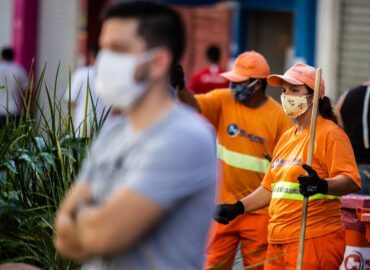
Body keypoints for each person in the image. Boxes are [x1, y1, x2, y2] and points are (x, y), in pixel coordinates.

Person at [54, 2, 217, 270]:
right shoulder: (112, 132)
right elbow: (62, 239)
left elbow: (104, 234)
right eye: (104, 48)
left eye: (119, 49)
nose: (104, 61)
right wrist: (91, 223)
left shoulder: (185, 137)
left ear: (158, 62)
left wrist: (82, 218)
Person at [215, 63, 361, 269]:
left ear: (313, 96)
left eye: (294, 90)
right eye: (284, 91)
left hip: (312, 238)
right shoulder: (287, 136)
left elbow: (351, 180)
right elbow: (270, 188)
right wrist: (238, 208)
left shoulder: (330, 134)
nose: (287, 96)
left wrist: (321, 185)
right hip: (277, 240)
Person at [173, 51, 293, 269]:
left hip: (259, 212)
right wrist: (180, 85)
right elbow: (191, 106)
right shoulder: (223, 100)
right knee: (213, 265)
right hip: (221, 208)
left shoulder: (280, 118)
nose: (232, 87)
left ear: (257, 85)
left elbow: (287, 167)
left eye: (238, 82)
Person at [64, 43, 108, 137]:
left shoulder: (81, 74)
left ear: (91, 56)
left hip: (82, 127)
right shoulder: (111, 76)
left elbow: (70, 100)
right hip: (104, 129)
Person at [335, 81, 370, 194]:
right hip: (357, 174)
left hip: (355, 174)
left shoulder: (347, 96)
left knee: (355, 211)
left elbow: (337, 131)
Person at [0, 47, 28, 127]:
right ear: (13, 56)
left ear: (2, 56)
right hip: (13, 110)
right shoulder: (19, 70)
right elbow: (26, 92)